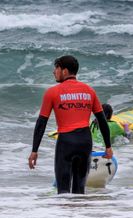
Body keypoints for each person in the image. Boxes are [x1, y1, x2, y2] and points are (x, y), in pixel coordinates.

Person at [28, 55, 113, 194]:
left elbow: (41, 122)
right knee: (79, 191)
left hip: (66, 143)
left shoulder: (53, 92)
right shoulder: (89, 91)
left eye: (56, 68)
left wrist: (34, 150)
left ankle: (66, 216)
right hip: (85, 142)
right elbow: (102, 120)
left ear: (65, 71)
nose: (54, 71)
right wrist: (108, 146)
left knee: (63, 192)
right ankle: (78, 215)